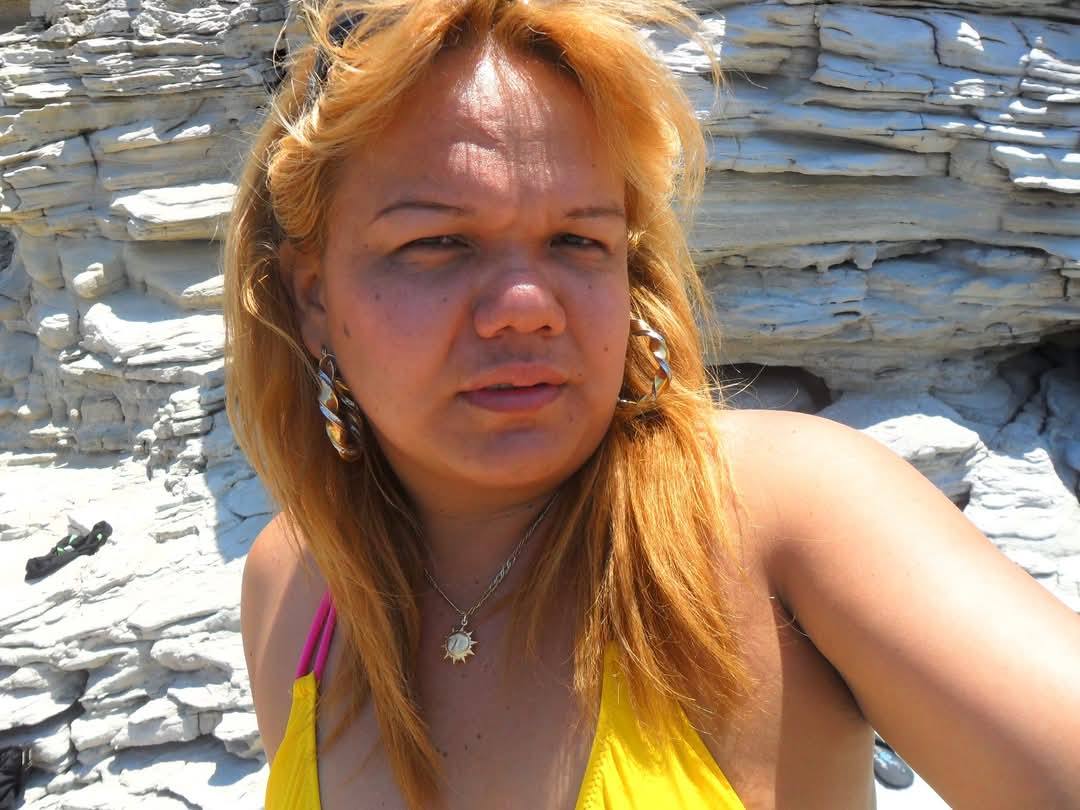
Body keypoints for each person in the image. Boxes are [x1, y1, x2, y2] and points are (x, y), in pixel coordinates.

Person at [225, 1, 1080, 808]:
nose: (528, 306)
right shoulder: (293, 590)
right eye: (438, 242)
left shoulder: (775, 516)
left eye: (577, 239)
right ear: (313, 295)